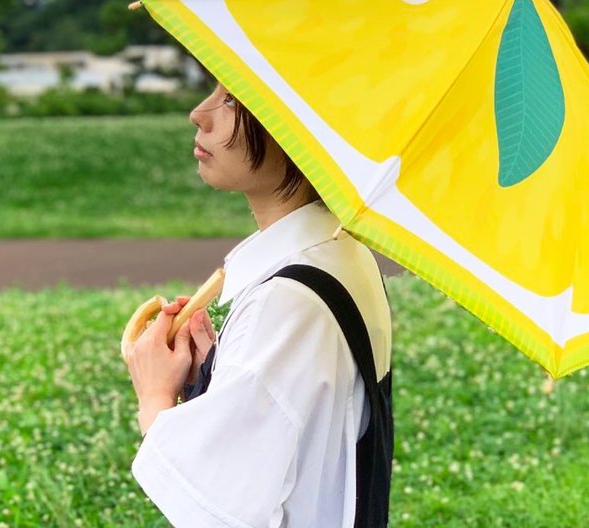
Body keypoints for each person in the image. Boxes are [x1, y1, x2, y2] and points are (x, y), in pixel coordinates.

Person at [124, 81, 394, 527]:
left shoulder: (285, 300)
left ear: (299, 129)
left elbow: (221, 513)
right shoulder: (342, 253)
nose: (200, 113)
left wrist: (154, 397)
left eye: (232, 99)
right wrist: (220, 373)